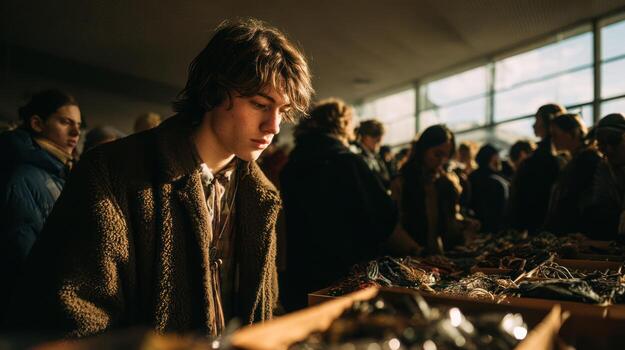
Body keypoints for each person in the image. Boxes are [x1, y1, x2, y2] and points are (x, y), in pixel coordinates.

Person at [4, 19, 313, 337]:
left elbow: (265, 306)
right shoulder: (112, 172)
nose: (274, 127)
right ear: (214, 92)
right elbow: (70, 317)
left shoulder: (261, 194)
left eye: (284, 111)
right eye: (260, 104)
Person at [280, 98, 420, 311]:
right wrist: (416, 250)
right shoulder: (347, 162)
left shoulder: (290, 166)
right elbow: (382, 217)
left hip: (300, 275)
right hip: (344, 277)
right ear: (343, 125)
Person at [0, 89, 81, 319]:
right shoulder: (22, 176)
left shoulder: (63, 174)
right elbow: (22, 256)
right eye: (65, 122)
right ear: (37, 123)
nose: (76, 131)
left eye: (78, 124)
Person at [392, 125, 479, 255]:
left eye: (446, 156)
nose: (442, 161)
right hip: (409, 259)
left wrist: (465, 224)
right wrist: (417, 250)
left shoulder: (444, 181)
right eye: (437, 154)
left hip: (437, 257)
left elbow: (449, 219)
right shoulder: (401, 182)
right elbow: (393, 226)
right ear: (423, 150)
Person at [509, 103, 566, 233]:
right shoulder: (556, 157)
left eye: (537, 120)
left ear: (549, 122)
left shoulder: (539, 159)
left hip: (538, 225)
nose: (533, 125)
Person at [545, 114, 601, 235]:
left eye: (555, 135)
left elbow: (574, 197)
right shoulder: (577, 159)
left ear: (572, 133)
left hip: (577, 231)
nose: (552, 140)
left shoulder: (586, 159)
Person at [586, 113, 625, 240]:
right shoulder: (604, 168)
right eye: (601, 144)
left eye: (614, 141)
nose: (608, 149)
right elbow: (600, 206)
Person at [468, 144, 510, 233]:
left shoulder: (471, 177)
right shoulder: (498, 180)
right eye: (497, 156)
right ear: (492, 157)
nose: (499, 159)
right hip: (497, 228)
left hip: (477, 227)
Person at [351, 119, 391, 189]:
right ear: (367, 138)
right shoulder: (358, 156)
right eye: (378, 141)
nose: (379, 144)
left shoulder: (374, 155)